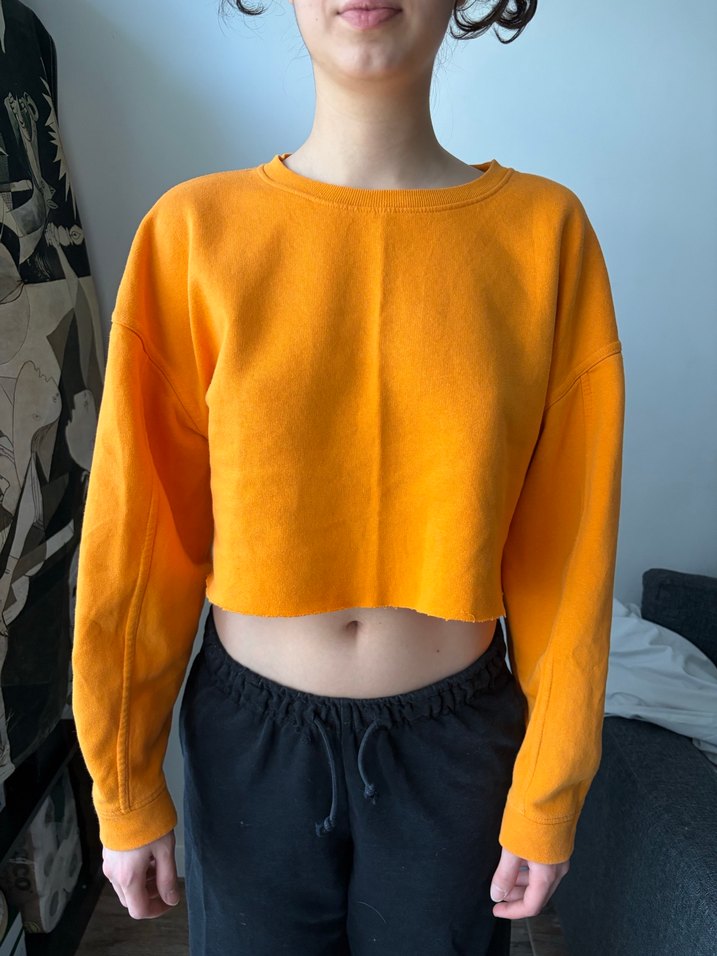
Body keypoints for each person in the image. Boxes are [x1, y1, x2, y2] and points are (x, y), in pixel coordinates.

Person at [71, 0, 626, 953]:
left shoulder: (545, 236)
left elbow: (567, 552)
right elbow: (138, 542)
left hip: (455, 747)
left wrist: (550, 787)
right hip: (249, 744)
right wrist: (123, 784)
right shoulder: (192, 233)